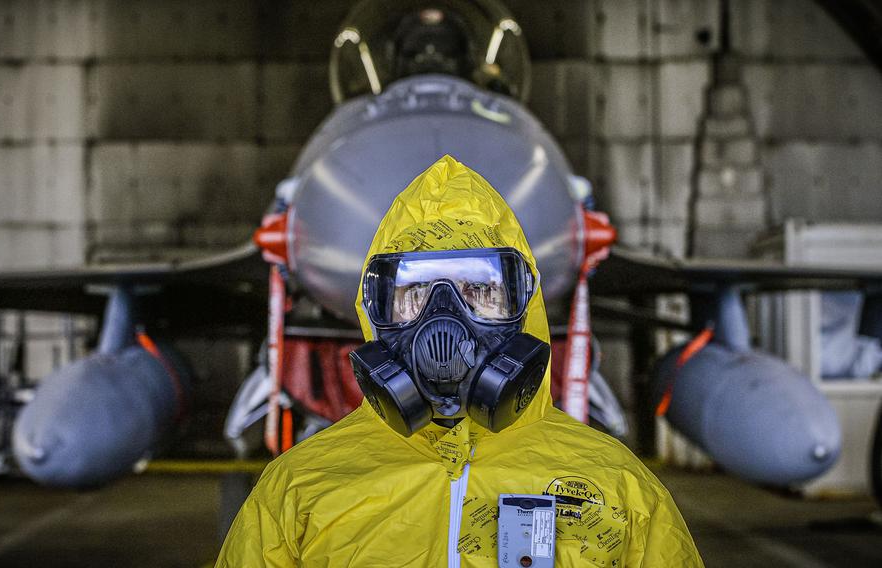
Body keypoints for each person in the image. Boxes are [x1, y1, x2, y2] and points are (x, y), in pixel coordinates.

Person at [216, 155, 703, 567]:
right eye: (417, 293)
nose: (444, 318)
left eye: (478, 290)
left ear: (523, 307)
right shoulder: (298, 491)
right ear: (376, 311)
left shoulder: (618, 490)